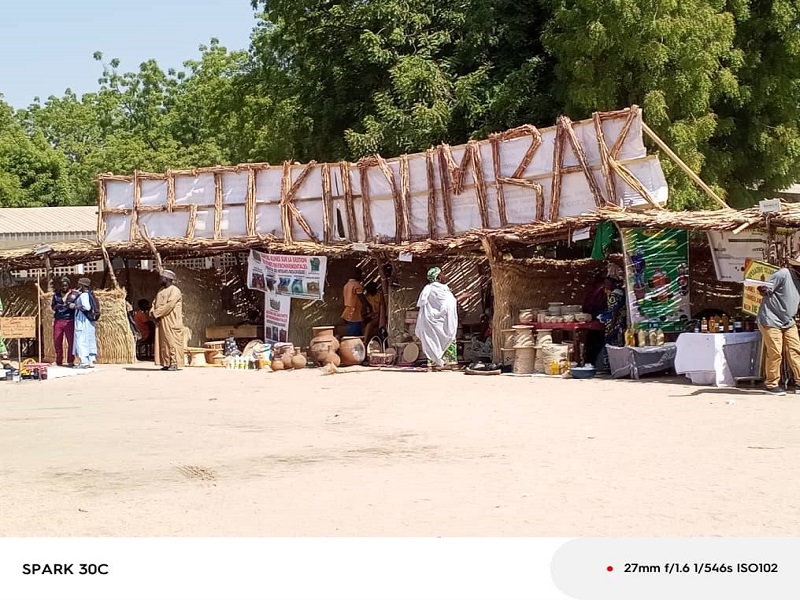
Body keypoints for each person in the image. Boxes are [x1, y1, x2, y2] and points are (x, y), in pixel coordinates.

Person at [756, 257, 800, 395]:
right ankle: (771, 384)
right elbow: (766, 288)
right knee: (775, 352)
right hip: (771, 319)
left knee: (795, 350)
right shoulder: (783, 274)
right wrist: (763, 289)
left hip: (788, 320)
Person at [415, 267, 460, 371]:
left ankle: (431, 366)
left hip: (429, 320)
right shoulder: (443, 289)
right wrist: (462, 296)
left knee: (431, 341)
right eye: (442, 274)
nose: (445, 276)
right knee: (449, 338)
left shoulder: (427, 289)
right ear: (438, 277)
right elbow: (450, 304)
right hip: (443, 322)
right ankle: (452, 364)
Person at [150, 270, 185, 371]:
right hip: (161, 321)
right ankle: (166, 362)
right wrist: (152, 313)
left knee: (171, 342)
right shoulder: (161, 291)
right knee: (163, 343)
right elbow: (154, 303)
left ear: (167, 279)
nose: (159, 279)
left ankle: (174, 363)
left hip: (171, 321)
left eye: (161, 278)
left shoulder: (175, 290)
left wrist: (156, 314)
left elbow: (169, 306)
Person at [51, 277, 80, 366]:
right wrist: (57, 307)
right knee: (57, 340)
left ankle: (70, 360)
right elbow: (52, 306)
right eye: (62, 286)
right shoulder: (56, 295)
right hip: (58, 320)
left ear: (69, 285)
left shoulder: (75, 294)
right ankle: (59, 360)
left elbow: (79, 305)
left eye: (65, 285)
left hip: (69, 320)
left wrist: (73, 306)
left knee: (71, 341)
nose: (64, 287)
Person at [72, 278, 98, 368]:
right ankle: (91, 360)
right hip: (89, 321)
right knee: (89, 339)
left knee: (81, 339)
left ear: (82, 285)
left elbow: (86, 307)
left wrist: (75, 306)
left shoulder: (83, 295)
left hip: (82, 319)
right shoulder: (90, 294)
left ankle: (84, 361)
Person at [341, 268, 368, 337]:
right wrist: (368, 305)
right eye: (360, 274)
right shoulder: (356, 285)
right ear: (356, 274)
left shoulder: (346, 285)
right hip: (355, 313)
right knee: (355, 336)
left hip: (348, 312)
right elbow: (362, 299)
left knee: (352, 333)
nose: (361, 276)